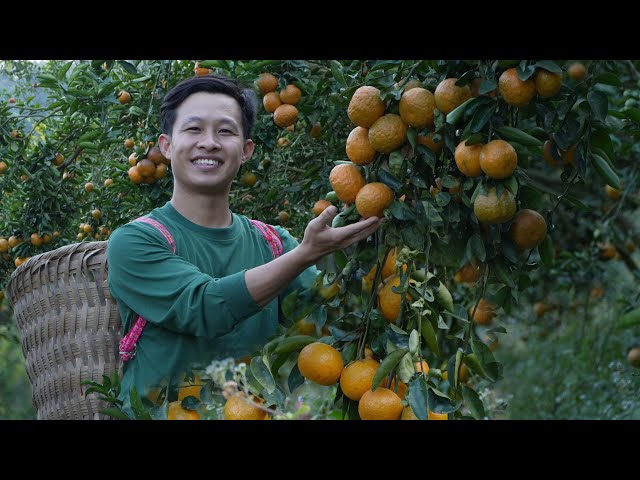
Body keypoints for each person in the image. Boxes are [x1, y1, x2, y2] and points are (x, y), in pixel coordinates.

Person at [106, 73, 383, 412]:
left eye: (225, 131)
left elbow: (332, 323)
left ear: (246, 150)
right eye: (193, 129)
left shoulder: (275, 244)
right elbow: (205, 308)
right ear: (166, 146)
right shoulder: (136, 241)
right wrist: (305, 255)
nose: (209, 142)